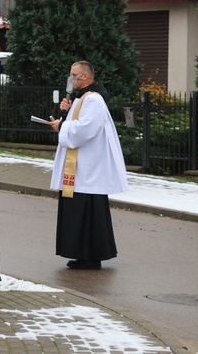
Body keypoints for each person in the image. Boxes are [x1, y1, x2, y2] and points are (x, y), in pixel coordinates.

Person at [48, 61, 127, 270]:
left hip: (88, 168)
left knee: (87, 210)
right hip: (80, 167)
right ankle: (82, 254)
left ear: (85, 77)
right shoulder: (81, 98)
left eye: (73, 75)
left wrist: (62, 125)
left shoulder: (94, 99)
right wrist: (64, 113)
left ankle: (92, 255)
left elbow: (85, 129)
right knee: (77, 209)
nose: (70, 79)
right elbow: (75, 123)